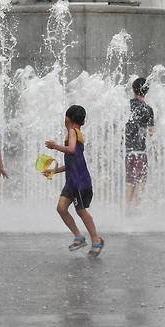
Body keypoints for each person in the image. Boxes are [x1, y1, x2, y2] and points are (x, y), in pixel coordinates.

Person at [45, 105, 104, 257]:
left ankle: (96, 240)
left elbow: (71, 150)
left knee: (81, 210)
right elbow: (73, 160)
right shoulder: (74, 133)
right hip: (72, 180)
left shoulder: (72, 132)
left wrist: (54, 146)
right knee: (61, 208)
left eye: (65, 116)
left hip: (80, 180)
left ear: (69, 119)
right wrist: (54, 171)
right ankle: (79, 236)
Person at [125, 77, 155, 212]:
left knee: (130, 181)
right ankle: (137, 209)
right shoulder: (148, 109)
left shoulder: (127, 106)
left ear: (133, 89)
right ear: (147, 91)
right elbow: (151, 132)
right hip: (141, 151)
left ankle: (127, 209)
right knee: (141, 181)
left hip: (127, 151)